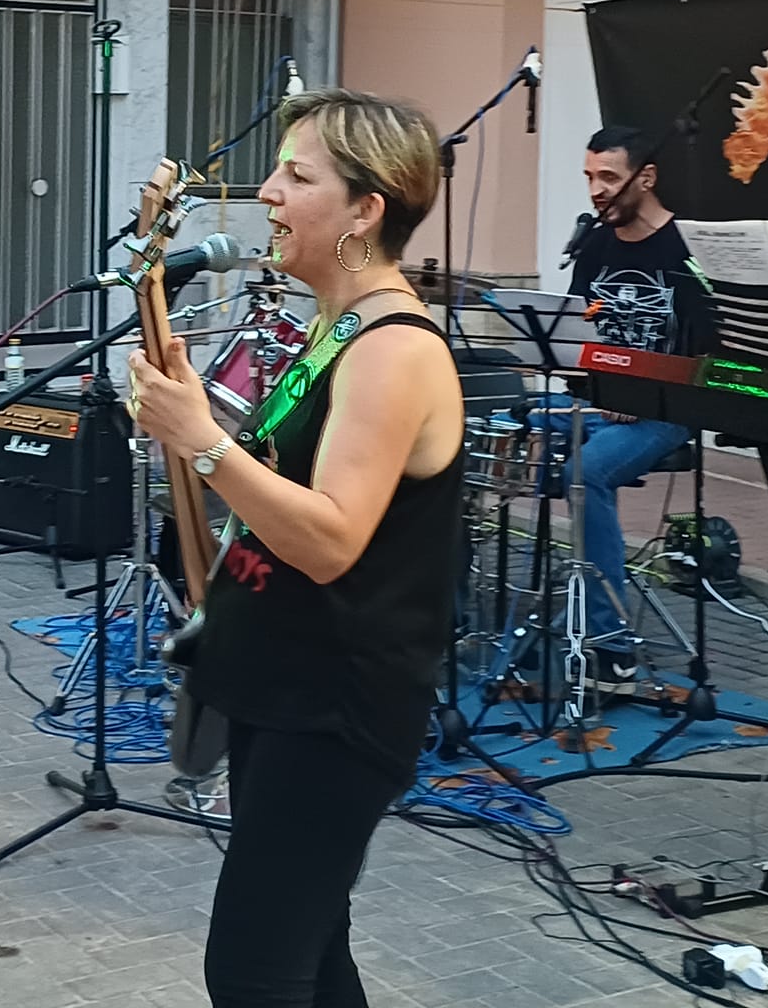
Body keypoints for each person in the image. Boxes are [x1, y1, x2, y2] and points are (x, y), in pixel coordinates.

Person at [128, 87, 464, 1008]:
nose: (268, 194)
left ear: (366, 210)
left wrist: (205, 440)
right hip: (286, 686)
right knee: (312, 958)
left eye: (296, 176)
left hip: (336, 705)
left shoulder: (395, 349)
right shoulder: (336, 327)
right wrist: (195, 430)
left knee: (252, 972)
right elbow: (274, 499)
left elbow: (331, 540)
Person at [547, 125, 710, 689]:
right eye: (589, 177)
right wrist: (595, 382)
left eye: (609, 178)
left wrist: (634, 391)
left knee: (585, 471)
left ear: (647, 178)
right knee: (473, 432)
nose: (596, 190)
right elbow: (578, 334)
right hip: (598, 400)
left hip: (667, 408)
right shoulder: (595, 244)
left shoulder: (687, 248)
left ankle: (612, 648)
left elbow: (707, 354)